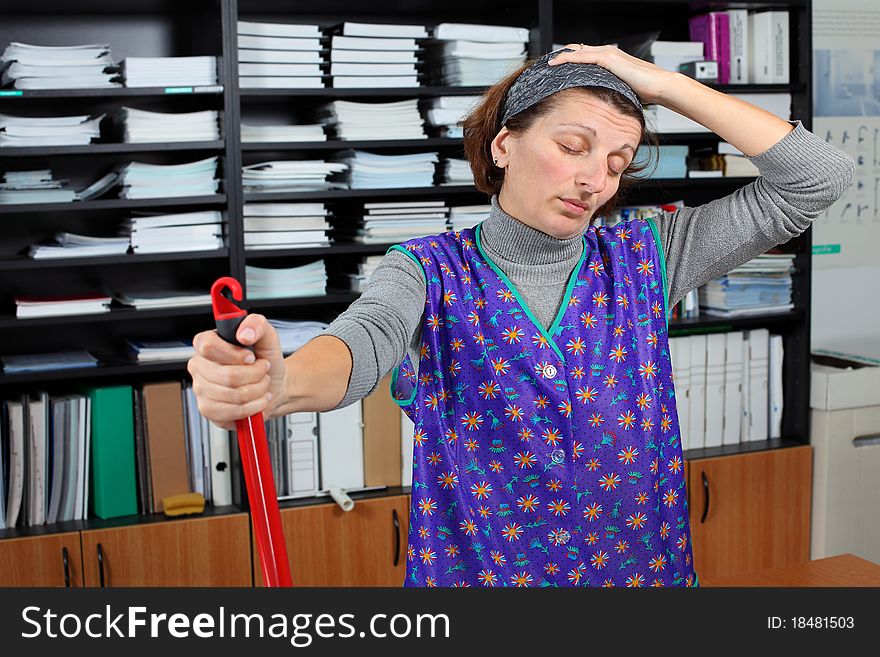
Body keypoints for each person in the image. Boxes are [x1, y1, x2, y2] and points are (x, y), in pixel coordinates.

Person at [188, 44, 854, 587]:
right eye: (572, 145)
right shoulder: (427, 269)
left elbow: (817, 177)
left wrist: (659, 83)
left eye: (617, 161)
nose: (596, 179)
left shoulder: (650, 254)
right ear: (505, 145)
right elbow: (364, 342)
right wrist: (279, 383)